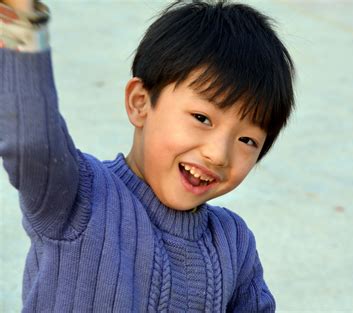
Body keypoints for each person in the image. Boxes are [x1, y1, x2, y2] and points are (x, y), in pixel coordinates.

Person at [0, 0, 294, 311]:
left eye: (247, 139)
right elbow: (31, 142)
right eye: (202, 118)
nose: (218, 154)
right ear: (140, 103)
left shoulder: (233, 245)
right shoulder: (77, 197)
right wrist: (21, 24)